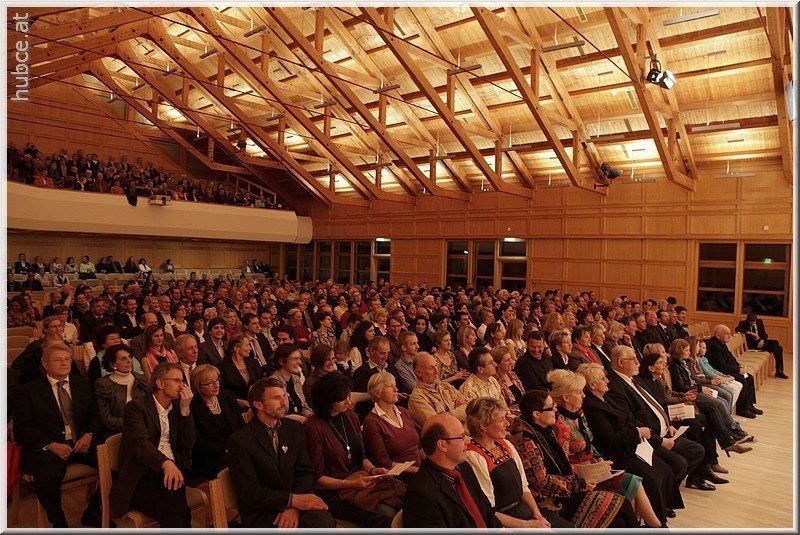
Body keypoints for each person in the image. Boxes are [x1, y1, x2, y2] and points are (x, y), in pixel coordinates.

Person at [547, 369, 662, 527]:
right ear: (566, 397)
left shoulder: (579, 414)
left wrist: (599, 459)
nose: (584, 395)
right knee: (627, 491)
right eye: (579, 392)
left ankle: (655, 526)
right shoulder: (559, 426)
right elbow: (562, 464)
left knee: (634, 482)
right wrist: (592, 468)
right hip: (580, 478)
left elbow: (590, 443)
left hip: (594, 468)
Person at [511, 390, 639, 528]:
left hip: (568, 488)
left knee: (618, 521)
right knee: (622, 503)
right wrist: (580, 484)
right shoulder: (527, 441)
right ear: (536, 414)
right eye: (550, 408)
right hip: (552, 500)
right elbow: (541, 481)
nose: (555, 410)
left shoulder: (546, 429)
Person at [605, 344, 705, 514]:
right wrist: (659, 440)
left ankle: (667, 493)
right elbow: (631, 421)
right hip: (646, 439)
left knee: (696, 450)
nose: (638, 362)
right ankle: (660, 500)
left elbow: (655, 404)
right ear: (621, 362)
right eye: (633, 359)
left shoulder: (631, 379)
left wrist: (668, 422)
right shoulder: (616, 387)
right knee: (679, 463)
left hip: (664, 430)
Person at [226, 377, 336, 528]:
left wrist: (294, 506)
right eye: (276, 398)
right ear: (258, 404)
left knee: (325, 522)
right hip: (263, 510)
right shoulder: (240, 441)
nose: (284, 402)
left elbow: (305, 472)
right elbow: (250, 492)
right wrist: (291, 500)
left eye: (284, 396)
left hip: (295, 502)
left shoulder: (295, 428)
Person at [13, 343, 101, 528]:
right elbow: (22, 429)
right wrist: (50, 444)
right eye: (58, 360)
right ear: (45, 364)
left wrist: (89, 435)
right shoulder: (29, 391)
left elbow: (95, 415)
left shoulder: (82, 383)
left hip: (81, 443)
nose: (64, 363)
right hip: (51, 448)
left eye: (67, 359)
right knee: (46, 479)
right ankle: (59, 522)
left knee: (117, 464)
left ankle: (93, 512)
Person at [578, 362, 675, 525]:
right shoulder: (592, 408)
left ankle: (659, 513)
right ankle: (656, 522)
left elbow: (626, 418)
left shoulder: (606, 398)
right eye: (603, 379)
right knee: (651, 478)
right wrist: (637, 433)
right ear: (593, 385)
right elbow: (611, 438)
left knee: (663, 470)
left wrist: (638, 430)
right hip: (616, 454)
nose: (607, 381)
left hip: (630, 445)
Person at [305, 372, 398, 528]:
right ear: (328, 401)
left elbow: (361, 457)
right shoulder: (313, 427)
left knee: (403, 500)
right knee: (386, 514)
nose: (349, 402)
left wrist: (373, 470)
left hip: (360, 480)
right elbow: (318, 479)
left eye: (349, 396)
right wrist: (350, 483)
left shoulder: (350, 416)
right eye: (343, 399)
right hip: (335, 491)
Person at [109, 363, 195, 527]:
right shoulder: (136, 407)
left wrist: (185, 410)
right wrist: (166, 463)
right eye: (177, 380)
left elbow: (188, 443)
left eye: (183, 381)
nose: (182, 386)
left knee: (173, 500)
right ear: (160, 383)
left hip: (173, 468)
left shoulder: (179, 407)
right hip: (143, 471)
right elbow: (141, 444)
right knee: (174, 503)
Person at [464, 398, 565, 528]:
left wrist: (537, 515)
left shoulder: (505, 444)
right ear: (483, 425)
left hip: (525, 511)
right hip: (504, 522)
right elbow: (488, 511)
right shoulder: (473, 456)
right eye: (501, 419)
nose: (507, 423)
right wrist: (528, 525)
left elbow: (523, 486)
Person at [403, 412, 501, 528]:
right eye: (462, 437)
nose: (468, 441)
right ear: (442, 445)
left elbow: (486, 511)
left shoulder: (464, 467)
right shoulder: (421, 495)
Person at [189, 364, 244, 480]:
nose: (216, 385)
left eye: (217, 380)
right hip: (211, 458)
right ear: (198, 387)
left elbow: (241, 426)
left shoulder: (227, 396)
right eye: (209, 383)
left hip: (237, 450)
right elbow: (197, 442)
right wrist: (226, 449)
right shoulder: (193, 406)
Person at [362, 372, 421, 474]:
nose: (396, 389)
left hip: (420, 468)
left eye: (395, 385)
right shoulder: (372, 422)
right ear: (377, 393)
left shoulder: (403, 411)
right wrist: (414, 470)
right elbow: (383, 462)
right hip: (400, 474)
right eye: (390, 386)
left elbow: (419, 447)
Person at [94, 344, 149, 440]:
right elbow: (106, 419)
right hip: (118, 434)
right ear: (113, 364)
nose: (129, 361)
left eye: (129, 357)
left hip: (145, 429)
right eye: (123, 359)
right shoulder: (103, 384)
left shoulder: (140, 378)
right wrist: (133, 424)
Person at [408, 352, 468, 427]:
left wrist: (449, 414)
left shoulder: (445, 386)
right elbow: (438, 426)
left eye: (436, 366)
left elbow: (470, 407)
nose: (437, 371)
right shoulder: (417, 398)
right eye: (431, 368)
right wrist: (457, 410)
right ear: (418, 373)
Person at [736, 312, 787, 378]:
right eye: (751, 323)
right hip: (753, 345)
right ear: (747, 321)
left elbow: (764, 334)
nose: (753, 324)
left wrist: (762, 340)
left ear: (756, 320)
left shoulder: (759, 322)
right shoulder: (742, 323)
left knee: (777, 345)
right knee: (778, 347)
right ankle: (779, 372)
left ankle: (779, 371)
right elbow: (737, 329)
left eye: (754, 322)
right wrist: (751, 333)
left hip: (761, 341)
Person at [269, 344, 312, 422]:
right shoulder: (272, 384)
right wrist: (290, 419)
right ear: (282, 361)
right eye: (295, 359)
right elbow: (272, 415)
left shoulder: (296, 379)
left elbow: (303, 406)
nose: (300, 362)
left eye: (299, 358)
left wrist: (310, 416)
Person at [221, 334, 263, 408]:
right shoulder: (222, 367)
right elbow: (222, 391)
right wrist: (236, 401)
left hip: (256, 404)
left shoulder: (254, 363)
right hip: (235, 407)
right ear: (236, 348)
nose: (250, 348)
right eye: (247, 345)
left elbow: (261, 383)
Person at [491, 345, 525, 411]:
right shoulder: (494, 381)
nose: (511, 362)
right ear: (497, 364)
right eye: (507, 360)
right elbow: (501, 406)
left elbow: (523, 394)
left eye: (511, 358)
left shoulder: (512, 374)